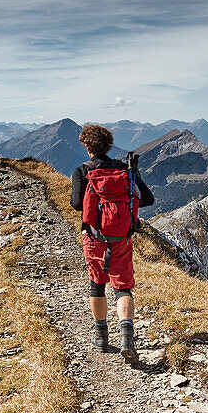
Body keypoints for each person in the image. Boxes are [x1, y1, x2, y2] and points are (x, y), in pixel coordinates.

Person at [70, 124, 155, 362]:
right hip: (122, 239)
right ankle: (127, 338)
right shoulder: (125, 170)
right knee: (122, 286)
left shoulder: (82, 171)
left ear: (87, 147)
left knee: (97, 284)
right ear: (109, 146)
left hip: (94, 238)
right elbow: (148, 198)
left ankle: (101, 338)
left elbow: (77, 204)